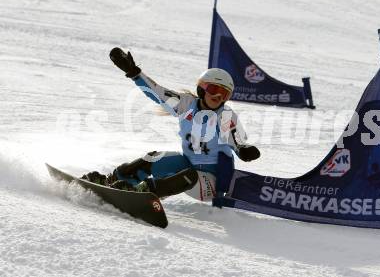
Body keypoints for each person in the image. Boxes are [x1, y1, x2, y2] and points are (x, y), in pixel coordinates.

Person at [82, 47, 260, 204]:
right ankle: (112, 181)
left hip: (212, 182)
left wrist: (244, 149)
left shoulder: (225, 115)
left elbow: (237, 140)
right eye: (215, 90)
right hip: (187, 164)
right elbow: (158, 93)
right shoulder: (186, 104)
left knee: (190, 176)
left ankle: (144, 192)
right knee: (153, 158)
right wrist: (135, 73)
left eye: (225, 94)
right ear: (202, 88)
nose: (219, 97)